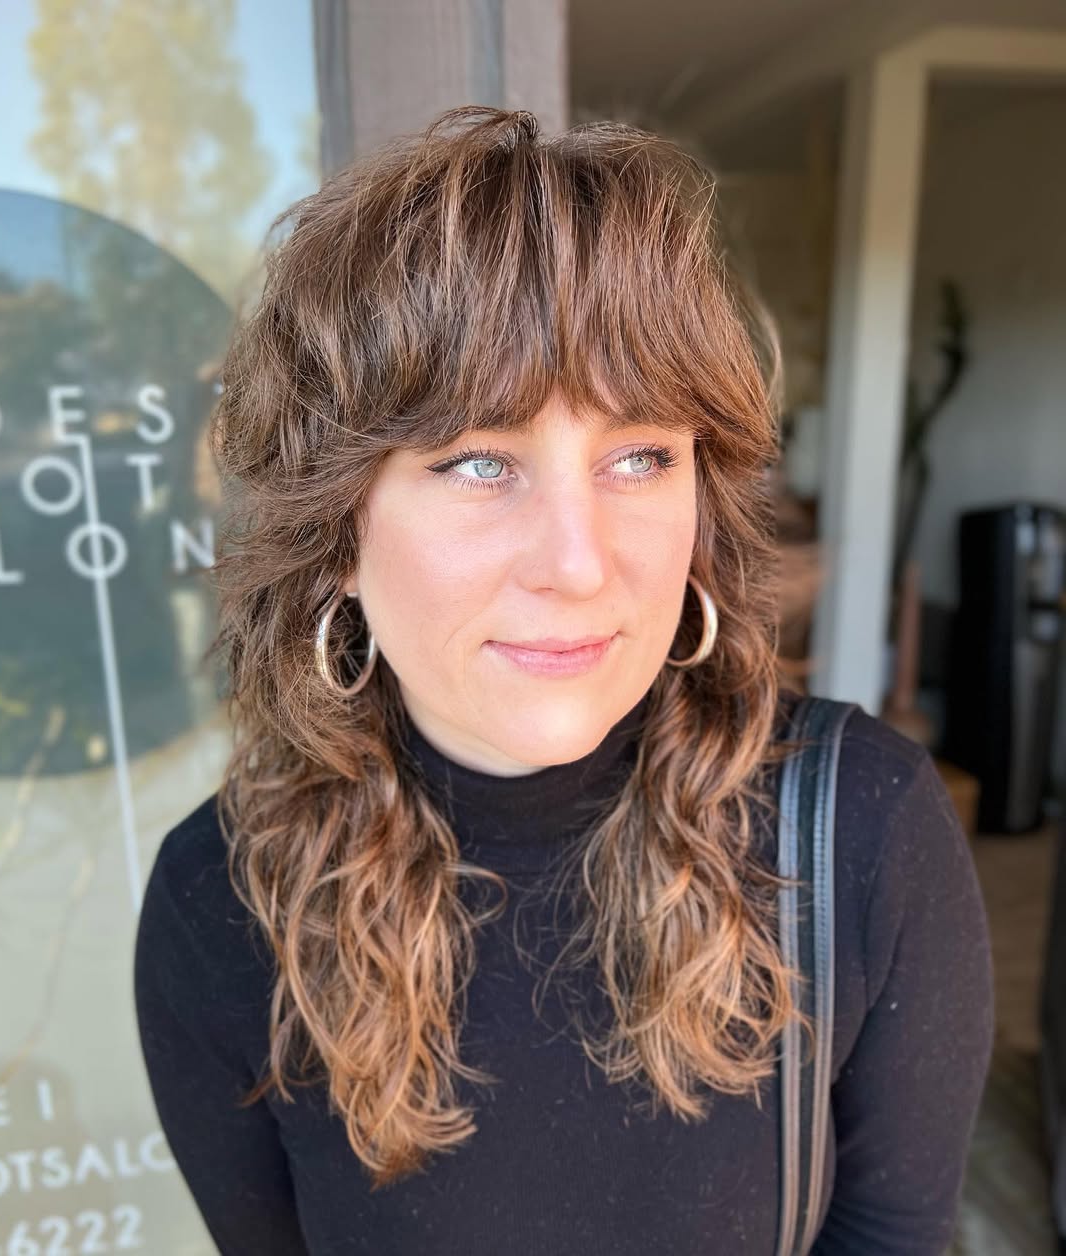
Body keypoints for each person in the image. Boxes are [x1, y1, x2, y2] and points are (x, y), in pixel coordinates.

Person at [133, 105, 994, 1255]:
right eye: (478, 462)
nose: (580, 563)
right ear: (334, 527)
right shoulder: (222, 904)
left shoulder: (861, 831)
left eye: (640, 455)